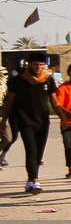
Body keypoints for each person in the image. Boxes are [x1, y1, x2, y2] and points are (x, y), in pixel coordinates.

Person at [1, 56, 58, 195]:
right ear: (30, 65)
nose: (38, 67)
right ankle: (34, 179)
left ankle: (30, 181)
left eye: (41, 64)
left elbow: (55, 101)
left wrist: (64, 115)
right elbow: (10, 101)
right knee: (31, 149)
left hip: (43, 121)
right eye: (35, 64)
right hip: (25, 121)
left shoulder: (48, 80)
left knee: (39, 151)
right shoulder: (19, 80)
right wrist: (4, 120)